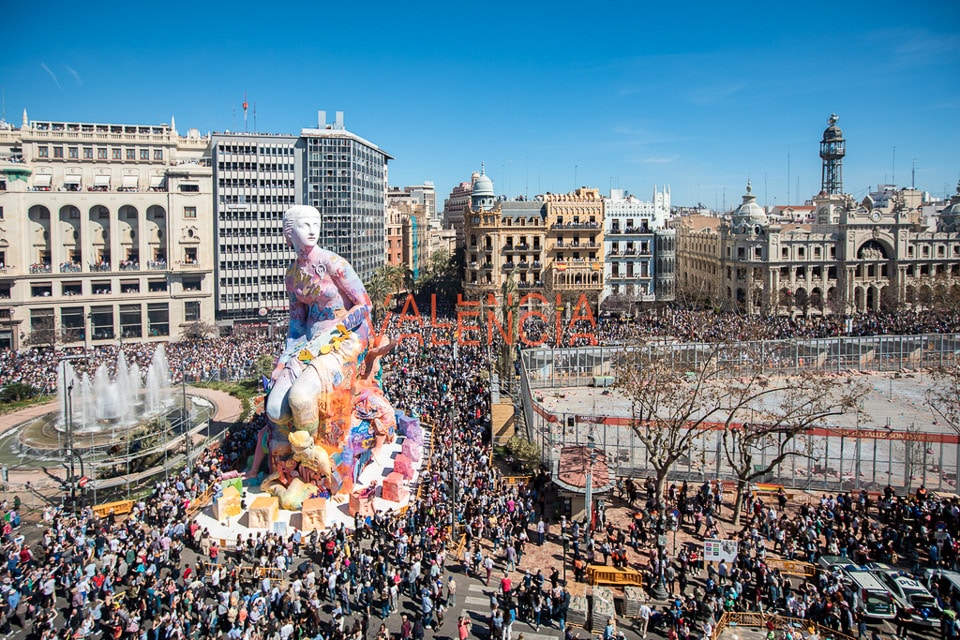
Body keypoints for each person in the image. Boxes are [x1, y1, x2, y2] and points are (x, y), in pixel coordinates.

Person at [266, 205, 373, 439]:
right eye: (305, 225)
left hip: (343, 340)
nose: (312, 230)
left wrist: (334, 333)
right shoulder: (292, 275)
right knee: (275, 409)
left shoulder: (334, 263)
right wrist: (284, 361)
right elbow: (296, 325)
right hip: (308, 345)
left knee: (300, 397)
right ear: (289, 233)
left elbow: (365, 304)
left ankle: (313, 454)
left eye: (316, 224)